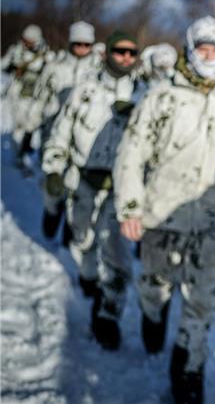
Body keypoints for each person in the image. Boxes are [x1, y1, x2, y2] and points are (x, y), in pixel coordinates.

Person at [113, 16, 215, 404]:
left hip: (214, 221)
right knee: (155, 287)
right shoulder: (161, 97)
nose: (209, 55)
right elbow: (131, 153)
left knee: (202, 300)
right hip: (163, 216)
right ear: (189, 49)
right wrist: (130, 207)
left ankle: (189, 368)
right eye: (202, 48)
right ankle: (153, 314)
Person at [42, 30, 145, 350]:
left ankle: (108, 314)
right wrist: (54, 168)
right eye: (120, 51)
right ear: (107, 54)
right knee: (83, 238)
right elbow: (62, 131)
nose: (126, 58)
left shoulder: (145, 95)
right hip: (83, 181)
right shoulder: (85, 90)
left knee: (116, 256)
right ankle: (87, 275)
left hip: (120, 190)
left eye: (131, 53)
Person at [35, 21, 102, 243]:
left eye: (86, 44)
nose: (82, 48)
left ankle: (68, 238)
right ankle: (51, 217)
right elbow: (41, 98)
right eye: (78, 43)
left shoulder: (98, 71)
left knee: (76, 195)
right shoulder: (56, 67)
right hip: (55, 136)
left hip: (82, 141)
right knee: (54, 191)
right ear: (71, 43)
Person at [1, 24, 53, 169]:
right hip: (18, 95)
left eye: (29, 41)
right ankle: (19, 153)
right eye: (25, 40)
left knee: (33, 123)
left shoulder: (46, 54)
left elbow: (51, 72)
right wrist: (12, 66)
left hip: (36, 96)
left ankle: (25, 148)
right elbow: (3, 66)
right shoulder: (16, 51)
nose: (26, 43)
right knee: (18, 126)